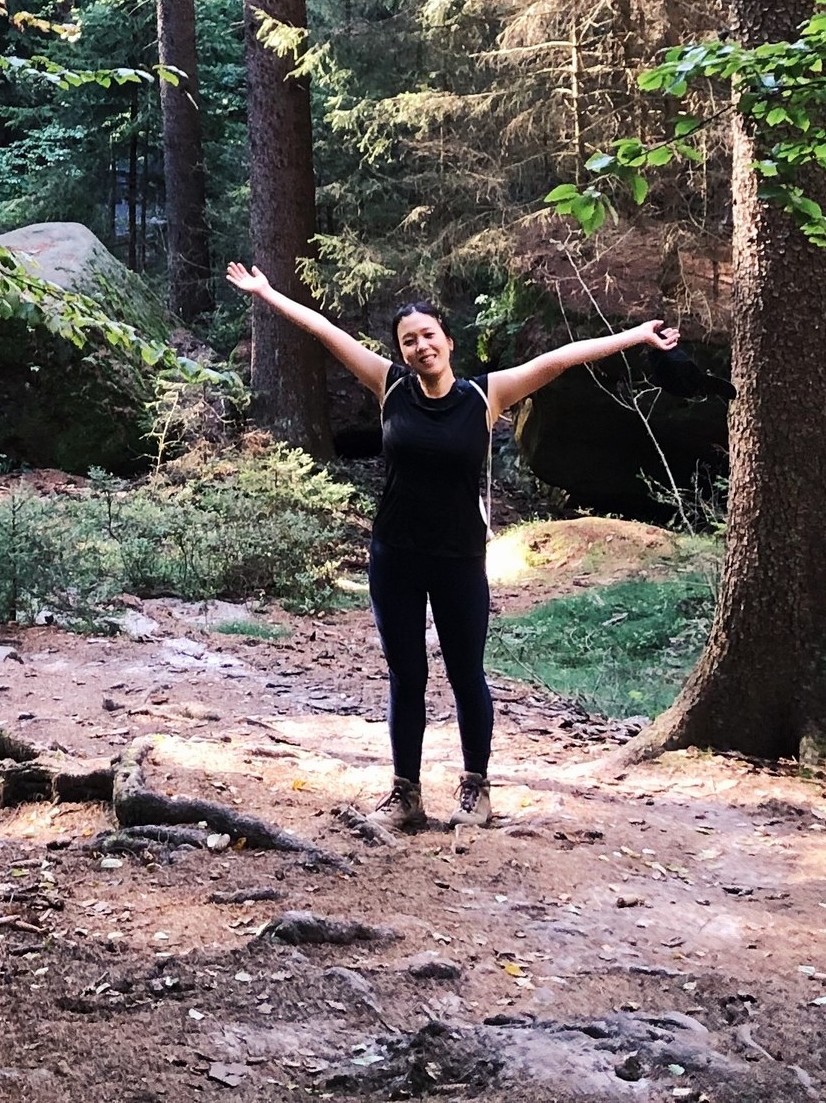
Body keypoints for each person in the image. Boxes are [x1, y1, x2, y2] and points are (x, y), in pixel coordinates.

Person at [223, 266, 679, 831]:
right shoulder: (388, 385)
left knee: (467, 674)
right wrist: (267, 294)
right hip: (395, 557)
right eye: (408, 340)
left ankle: (477, 788)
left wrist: (636, 336)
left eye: (428, 335)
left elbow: (561, 358)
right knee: (406, 675)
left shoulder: (485, 395)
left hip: (461, 560)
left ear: (448, 339)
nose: (419, 346)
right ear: (401, 351)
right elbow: (324, 330)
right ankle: (406, 793)